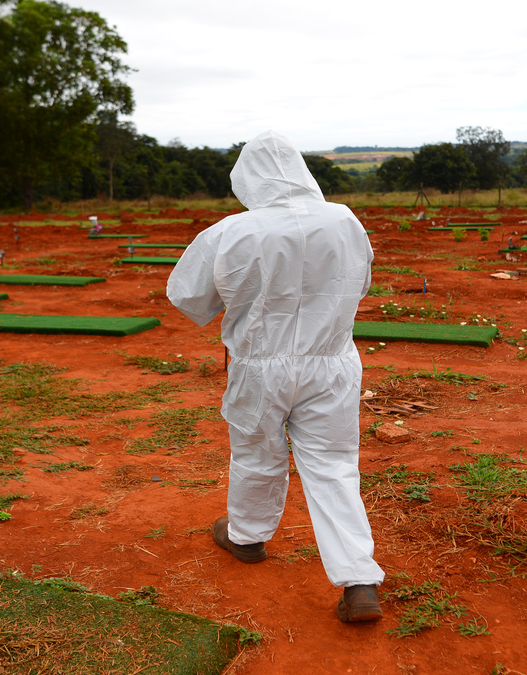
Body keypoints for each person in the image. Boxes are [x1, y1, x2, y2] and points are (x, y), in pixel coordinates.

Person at [166, 130, 385, 623]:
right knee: (332, 465)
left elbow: (187, 298)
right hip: (331, 361)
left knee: (256, 454)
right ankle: (359, 580)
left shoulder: (232, 231)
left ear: (247, 178)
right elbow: (361, 283)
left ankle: (246, 537)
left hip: (260, 365)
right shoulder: (345, 220)